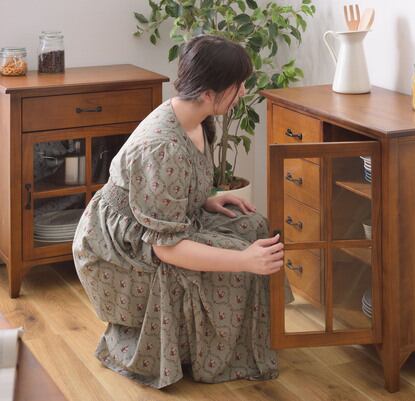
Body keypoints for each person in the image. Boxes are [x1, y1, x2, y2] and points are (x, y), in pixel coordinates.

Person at [72, 34, 284, 389]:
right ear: (208, 93)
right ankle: (208, 353)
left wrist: (205, 199)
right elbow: (166, 249)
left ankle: (242, 339)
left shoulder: (196, 117)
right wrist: (244, 260)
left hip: (154, 224)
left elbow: (165, 192)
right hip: (120, 249)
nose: (243, 92)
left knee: (253, 226)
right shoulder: (163, 146)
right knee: (239, 254)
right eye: (238, 85)